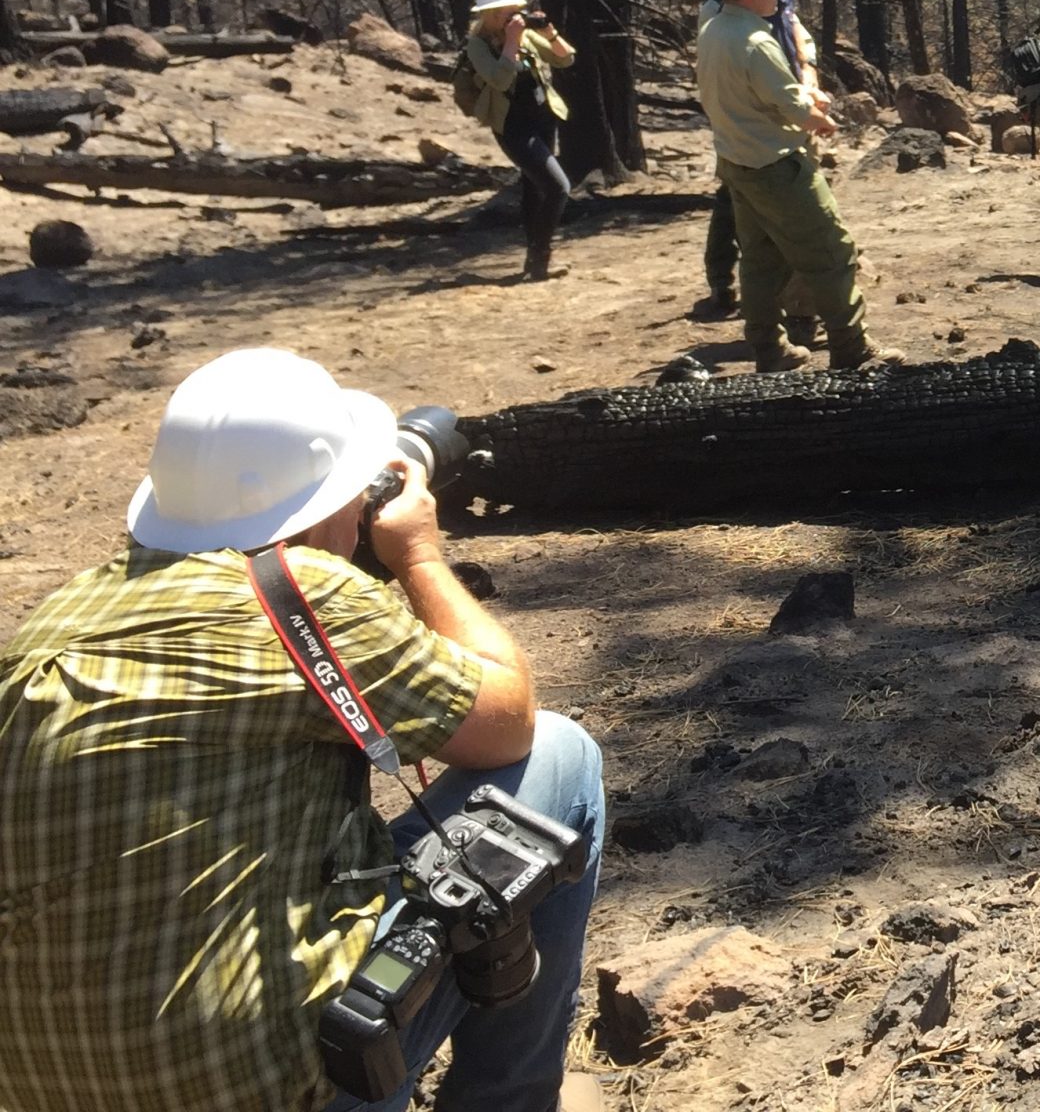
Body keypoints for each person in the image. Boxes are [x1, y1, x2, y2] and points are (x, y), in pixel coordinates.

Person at [0, 348, 604, 1112]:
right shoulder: (302, 596)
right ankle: (509, 1100)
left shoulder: (58, 617)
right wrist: (417, 554)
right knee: (561, 754)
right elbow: (507, 723)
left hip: (43, 1086)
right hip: (264, 1090)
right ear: (322, 506)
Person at [695, 0, 885, 372]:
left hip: (738, 163)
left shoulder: (713, 29)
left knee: (762, 260)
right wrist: (820, 117)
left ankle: (769, 349)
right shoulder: (756, 41)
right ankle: (852, 349)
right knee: (833, 250)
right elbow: (793, 106)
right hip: (777, 165)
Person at [701, 0, 821, 320]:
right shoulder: (723, 7)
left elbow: (797, 34)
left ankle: (787, 311)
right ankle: (726, 284)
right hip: (750, 125)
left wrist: (808, 75)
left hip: (786, 115)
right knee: (738, 208)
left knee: (757, 215)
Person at [461, 0, 576, 283]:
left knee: (534, 190)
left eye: (512, 11)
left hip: (543, 118)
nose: (508, 17)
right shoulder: (478, 45)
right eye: (501, 12)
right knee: (558, 187)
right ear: (487, 15)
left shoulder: (525, 35)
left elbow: (566, 59)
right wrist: (511, 42)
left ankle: (534, 262)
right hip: (512, 127)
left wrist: (550, 34)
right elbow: (498, 80)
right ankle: (542, 257)